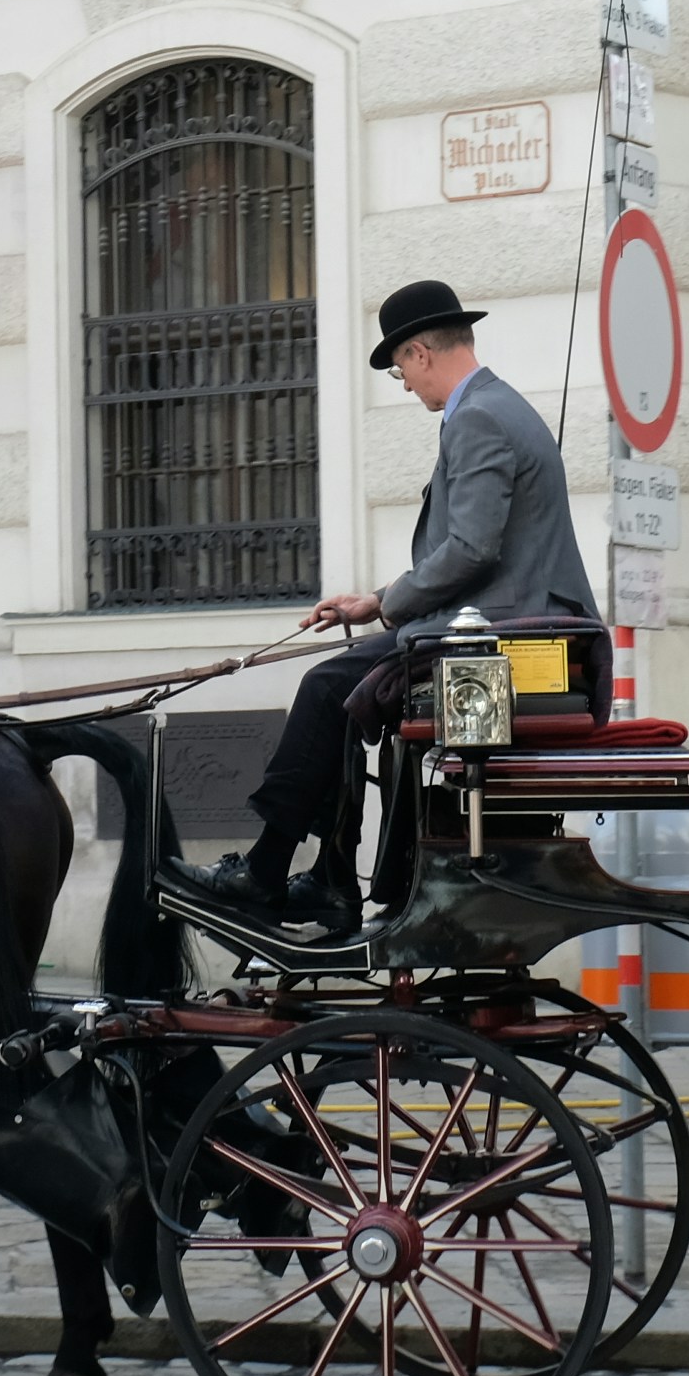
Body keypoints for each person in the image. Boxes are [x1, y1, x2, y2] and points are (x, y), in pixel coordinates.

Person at [169, 279, 598, 931]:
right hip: (503, 628)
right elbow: (474, 550)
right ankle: (330, 877)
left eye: (400, 367)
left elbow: (473, 549)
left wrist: (388, 605)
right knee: (346, 686)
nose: (402, 383)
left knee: (325, 685)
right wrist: (376, 602)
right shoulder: (496, 407)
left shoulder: (478, 417)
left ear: (422, 352)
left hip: (503, 640)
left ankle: (268, 873)